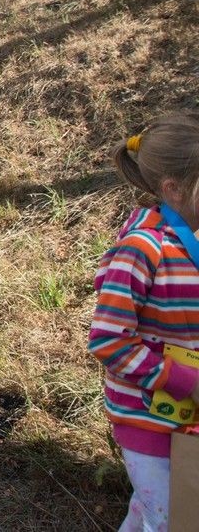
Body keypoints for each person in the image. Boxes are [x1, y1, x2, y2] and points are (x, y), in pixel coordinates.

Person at [88, 113, 199, 532]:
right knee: (171, 521)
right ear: (174, 189)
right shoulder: (141, 250)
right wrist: (187, 381)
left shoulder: (193, 234)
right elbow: (109, 342)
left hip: (185, 416)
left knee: (153, 511)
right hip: (146, 418)